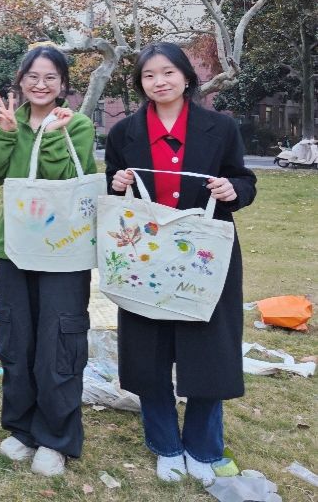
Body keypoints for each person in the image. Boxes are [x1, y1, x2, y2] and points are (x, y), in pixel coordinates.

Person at [105, 42, 256, 485]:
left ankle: (203, 447)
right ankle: (166, 445)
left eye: (168, 72)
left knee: (209, 351)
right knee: (149, 352)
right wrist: (117, 183)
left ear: (187, 77)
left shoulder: (220, 128)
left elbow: (243, 179)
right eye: (149, 75)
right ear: (141, 83)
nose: (160, 82)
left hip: (205, 255)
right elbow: (113, 187)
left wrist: (233, 190)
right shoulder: (124, 133)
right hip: (145, 255)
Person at [0, 45, 96, 477]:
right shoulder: (12, 120)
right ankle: (23, 428)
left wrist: (50, 136)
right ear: (21, 81)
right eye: (33, 76)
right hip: (15, 247)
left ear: (62, 84)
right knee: (17, 339)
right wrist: (7, 133)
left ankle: (56, 437)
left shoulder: (77, 124)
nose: (40, 84)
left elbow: (65, 177)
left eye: (50, 77)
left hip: (64, 249)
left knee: (58, 342)